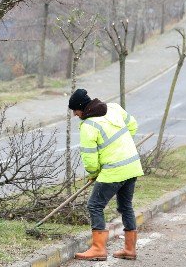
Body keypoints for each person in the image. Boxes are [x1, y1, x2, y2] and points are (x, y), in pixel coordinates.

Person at [69, 88, 144, 261]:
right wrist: (122, 147)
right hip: (132, 166)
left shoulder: (88, 126)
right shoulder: (114, 108)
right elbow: (133, 125)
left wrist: (94, 173)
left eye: (75, 110)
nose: (74, 114)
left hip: (114, 170)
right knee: (126, 207)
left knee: (95, 205)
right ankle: (130, 249)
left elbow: (90, 160)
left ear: (82, 107)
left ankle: (98, 248)